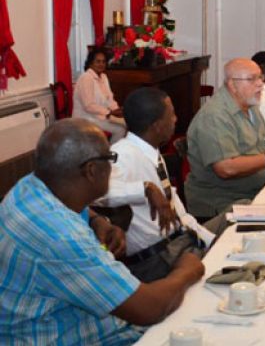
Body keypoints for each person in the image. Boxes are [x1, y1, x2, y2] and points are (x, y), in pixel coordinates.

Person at [0, 119, 205, 344]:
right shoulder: (62, 237)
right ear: (92, 170)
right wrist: (187, 270)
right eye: (110, 158)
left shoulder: (28, 188)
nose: (113, 165)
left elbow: (69, 210)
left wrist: (97, 220)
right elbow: (148, 309)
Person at [100, 87, 230, 282]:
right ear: (157, 126)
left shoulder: (151, 151)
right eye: (172, 115)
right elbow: (99, 192)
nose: (175, 119)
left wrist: (210, 239)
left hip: (180, 242)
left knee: (237, 220)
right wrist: (144, 189)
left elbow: (179, 213)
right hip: (158, 259)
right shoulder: (123, 154)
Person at [185, 58, 265, 219]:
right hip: (224, 204)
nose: (259, 84)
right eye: (251, 79)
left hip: (253, 192)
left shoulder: (250, 106)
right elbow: (226, 168)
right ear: (232, 85)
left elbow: (261, 143)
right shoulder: (215, 116)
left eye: (260, 78)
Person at [73, 49, 127, 143]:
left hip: (100, 116)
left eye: (103, 62)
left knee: (126, 123)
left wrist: (117, 110)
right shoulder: (86, 78)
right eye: (98, 61)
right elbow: (88, 106)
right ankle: (110, 154)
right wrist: (109, 113)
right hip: (86, 118)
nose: (101, 64)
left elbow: (109, 99)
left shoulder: (103, 77)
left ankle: (113, 152)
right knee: (120, 129)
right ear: (90, 63)